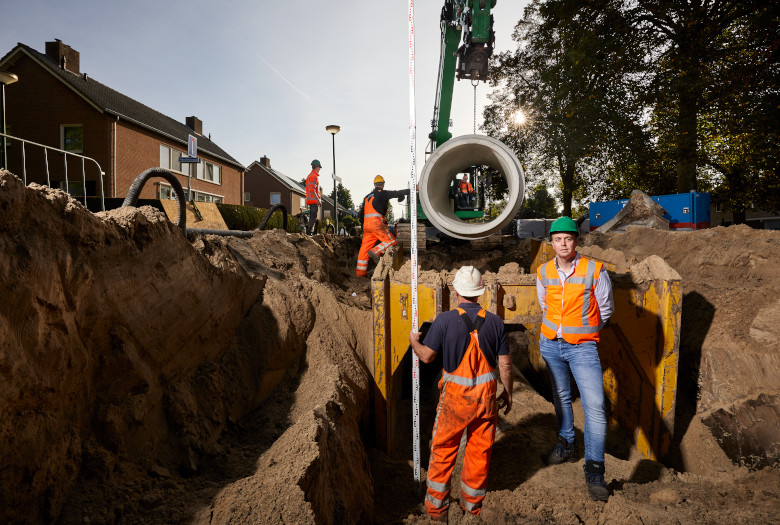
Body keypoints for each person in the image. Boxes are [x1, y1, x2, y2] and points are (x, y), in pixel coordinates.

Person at [409, 266, 513, 521]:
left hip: (455, 401)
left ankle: (437, 511)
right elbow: (506, 364)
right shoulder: (496, 322)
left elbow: (427, 356)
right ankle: (471, 509)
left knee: (443, 450)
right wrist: (508, 392)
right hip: (486, 400)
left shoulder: (444, 320)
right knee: (479, 453)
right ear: (480, 293)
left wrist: (414, 341)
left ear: (455, 291)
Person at [536, 216, 614, 501]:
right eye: (558, 239)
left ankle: (595, 470)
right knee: (560, 396)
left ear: (575, 241)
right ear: (552, 243)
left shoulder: (595, 270)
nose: (563, 244)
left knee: (594, 405)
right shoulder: (544, 271)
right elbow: (545, 304)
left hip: (583, 348)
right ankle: (566, 443)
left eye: (568, 239)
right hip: (550, 344)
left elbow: (605, 309)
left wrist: (585, 331)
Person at [355, 175, 409, 277]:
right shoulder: (383, 193)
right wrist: (413, 189)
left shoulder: (367, 197)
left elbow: (361, 214)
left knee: (364, 250)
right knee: (392, 241)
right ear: (383, 184)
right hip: (376, 224)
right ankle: (375, 251)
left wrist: (364, 228)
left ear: (374, 184)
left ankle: (360, 274)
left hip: (366, 226)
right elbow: (398, 193)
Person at [305, 160, 322, 235]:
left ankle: (309, 231)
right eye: (319, 167)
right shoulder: (314, 176)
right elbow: (312, 190)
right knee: (313, 217)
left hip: (310, 200)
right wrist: (318, 200)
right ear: (317, 167)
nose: (319, 169)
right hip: (313, 200)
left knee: (312, 217)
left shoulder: (309, 176)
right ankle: (309, 232)